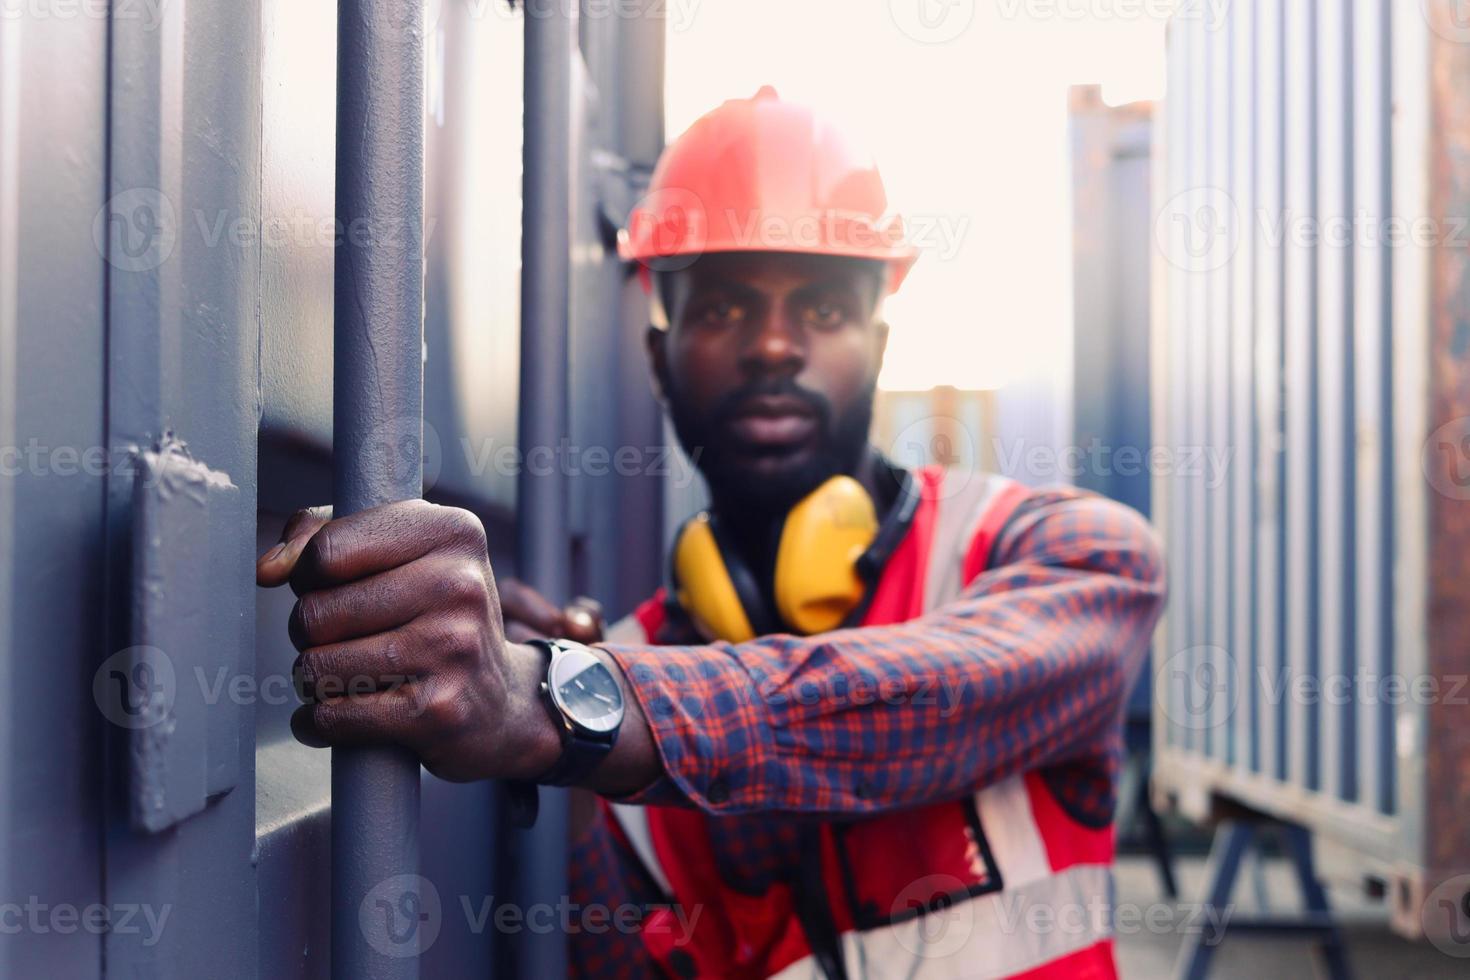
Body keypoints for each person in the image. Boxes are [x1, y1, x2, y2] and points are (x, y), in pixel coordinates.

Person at [257, 87, 1165, 979]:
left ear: (878, 344)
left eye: (822, 307)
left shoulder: (1067, 553)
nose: (774, 346)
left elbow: (927, 706)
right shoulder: (617, 674)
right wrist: (565, 767)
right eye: (726, 308)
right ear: (660, 357)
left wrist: (548, 704)